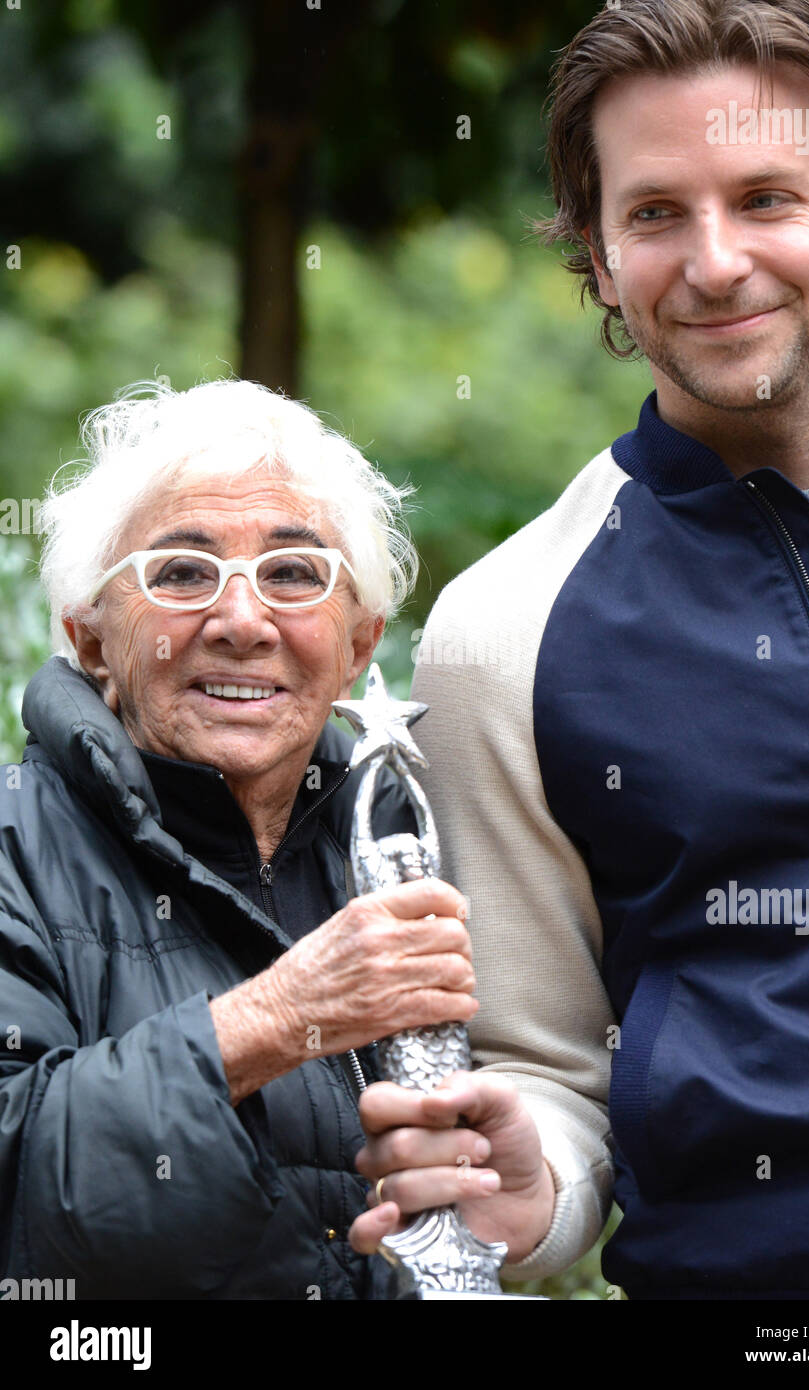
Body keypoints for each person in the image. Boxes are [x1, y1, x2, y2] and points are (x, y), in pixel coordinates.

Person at [348, 0, 809, 1299]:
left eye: (767, 197)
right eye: (656, 212)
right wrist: (528, 1189)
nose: (713, 263)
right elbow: (545, 1063)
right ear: (600, 258)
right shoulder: (503, 632)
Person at [0, 377, 480, 1300]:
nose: (241, 621)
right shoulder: (16, 848)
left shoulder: (420, 837)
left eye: (293, 574)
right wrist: (271, 1020)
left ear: (359, 646)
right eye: (181, 573)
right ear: (91, 641)